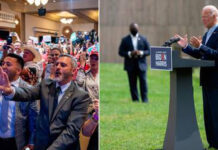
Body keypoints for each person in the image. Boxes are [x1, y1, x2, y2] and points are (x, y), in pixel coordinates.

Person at [0, 54, 90, 150]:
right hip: (41, 145)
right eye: (56, 64)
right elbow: (27, 93)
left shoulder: (80, 96)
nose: (58, 67)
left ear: (73, 71)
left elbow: (71, 131)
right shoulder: (46, 85)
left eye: (63, 65)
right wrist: (10, 91)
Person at [175, 5, 218, 149]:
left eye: (205, 16)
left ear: (214, 16)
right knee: (209, 115)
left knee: (216, 113)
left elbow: (215, 54)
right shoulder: (207, 34)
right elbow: (202, 54)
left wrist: (201, 47)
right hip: (206, 80)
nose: (203, 19)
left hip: (216, 80)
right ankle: (213, 142)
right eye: (202, 16)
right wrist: (186, 46)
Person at [0, 53, 38, 150]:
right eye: (3, 63)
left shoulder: (28, 90)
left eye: (8, 64)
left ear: (18, 70)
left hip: (17, 141)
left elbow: (34, 119)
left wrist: (31, 142)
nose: (3, 66)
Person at [119, 23, 150, 102]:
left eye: (135, 28)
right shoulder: (125, 39)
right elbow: (121, 52)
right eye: (133, 29)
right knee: (132, 84)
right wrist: (130, 53)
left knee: (143, 83)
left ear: (138, 29)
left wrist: (141, 53)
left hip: (141, 64)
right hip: (130, 65)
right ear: (130, 29)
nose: (134, 30)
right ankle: (135, 100)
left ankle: (145, 100)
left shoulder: (143, 39)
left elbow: (149, 51)